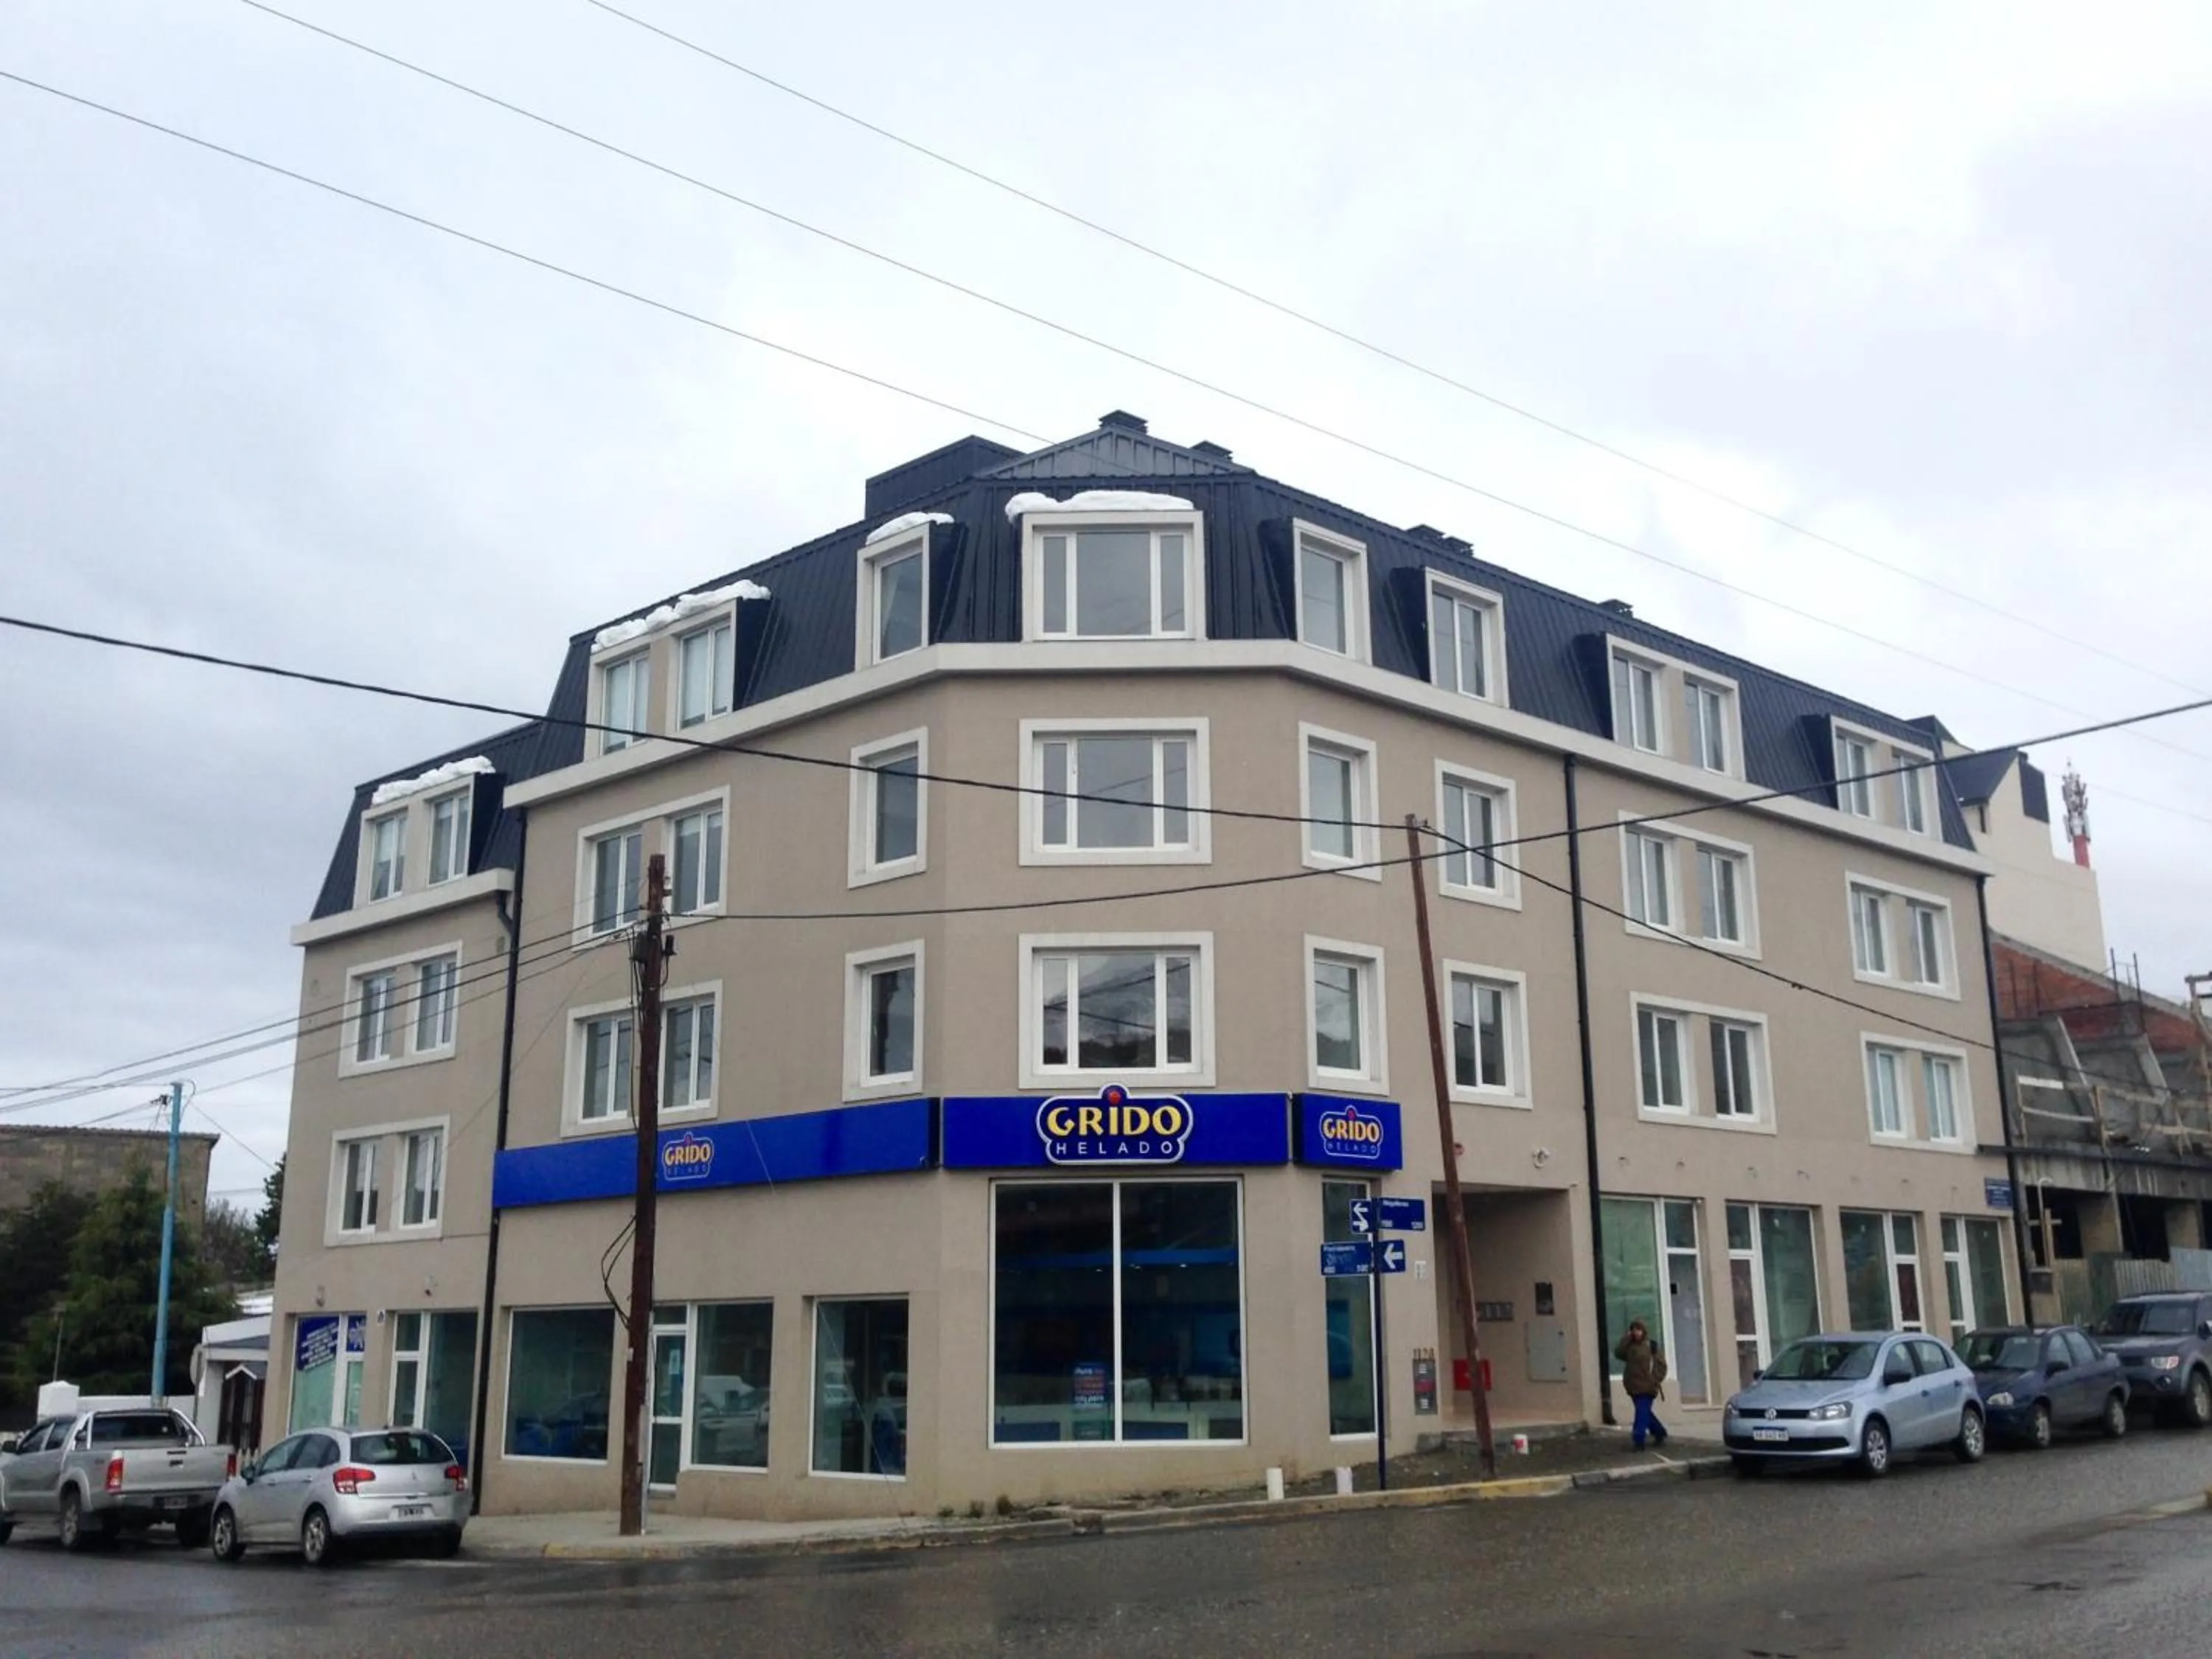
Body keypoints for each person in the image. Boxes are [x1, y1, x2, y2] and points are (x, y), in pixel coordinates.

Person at [1615, 1319, 1669, 1450]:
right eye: (1633, 1330)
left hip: (1647, 1386)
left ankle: (1639, 1439)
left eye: (1638, 1330)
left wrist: (1654, 1380)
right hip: (1633, 1386)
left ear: (1644, 1331)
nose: (1636, 1333)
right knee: (1644, 1412)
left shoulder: (1651, 1346)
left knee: (1641, 1412)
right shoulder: (1630, 1346)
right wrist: (1626, 1339)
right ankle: (1659, 1432)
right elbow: (1619, 1353)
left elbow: (1661, 1366)